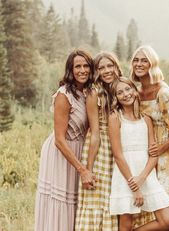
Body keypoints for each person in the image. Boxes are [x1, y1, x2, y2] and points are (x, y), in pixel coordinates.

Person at [129, 45, 169, 231]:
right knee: (153, 209)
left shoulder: (163, 93)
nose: (139, 64)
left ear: (152, 64)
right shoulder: (137, 92)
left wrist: (161, 148)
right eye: (136, 60)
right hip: (147, 154)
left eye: (144, 60)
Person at [34, 50, 96, 231]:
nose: (82, 70)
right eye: (78, 66)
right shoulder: (64, 95)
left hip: (78, 151)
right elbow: (59, 139)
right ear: (70, 69)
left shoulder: (89, 93)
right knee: (61, 203)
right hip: (61, 152)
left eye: (86, 66)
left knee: (76, 203)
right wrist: (82, 169)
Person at [108, 77, 169, 231]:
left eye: (128, 89)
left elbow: (153, 153)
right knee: (126, 225)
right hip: (126, 176)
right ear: (116, 98)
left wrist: (143, 177)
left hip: (146, 175)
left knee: (168, 220)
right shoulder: (115, 118)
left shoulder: (146, 119)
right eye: (120, 92)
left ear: (134, 90)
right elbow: (118, 155)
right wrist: (134, 186)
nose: (125, 94)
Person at [75, 51, 122, 231]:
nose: (106, 71)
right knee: (98, 200)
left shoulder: (122, 89)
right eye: (101, 68)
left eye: (110, 66)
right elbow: (94, 132)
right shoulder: (94, 93)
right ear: (96, 71)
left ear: (117, 67)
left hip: (120, 148)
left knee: (115, 200)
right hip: (101, 148)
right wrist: (88, 169)